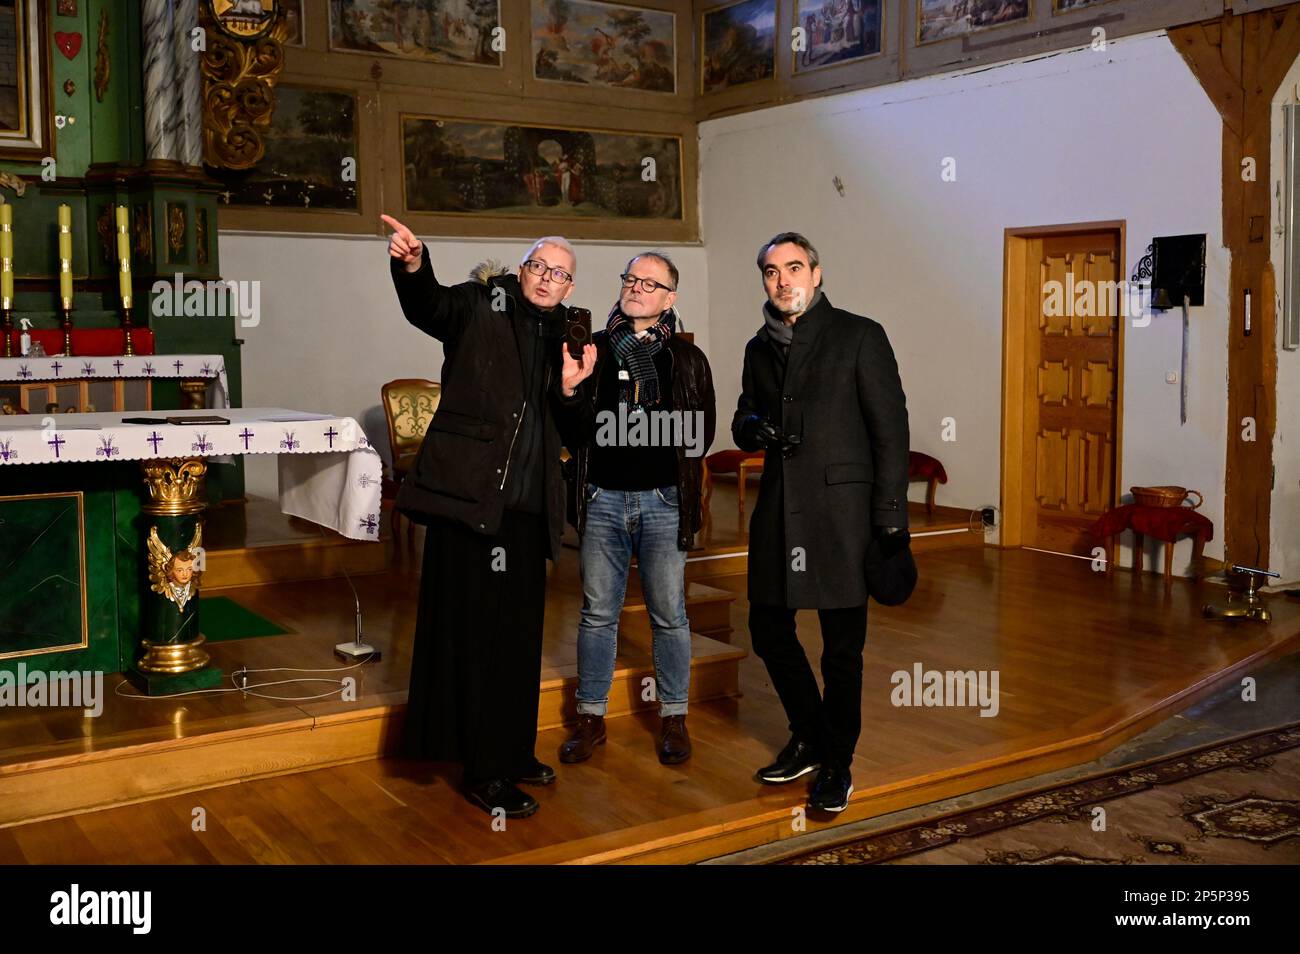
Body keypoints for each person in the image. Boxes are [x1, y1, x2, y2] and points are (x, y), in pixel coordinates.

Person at [384, 213, 596, 819]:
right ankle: (483, 769)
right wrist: (412, 264)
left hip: (530, 515)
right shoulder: (482, 305)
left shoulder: (573, 339)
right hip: (473, 506)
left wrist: (574, 390)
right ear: (522, 268)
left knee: (520, 642)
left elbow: (581, 434)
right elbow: (427, 306)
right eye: (538, 266)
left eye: (560, 273)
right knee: (476, 640)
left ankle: (512, 750)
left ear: (570, 286)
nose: (546, 279)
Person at [733, 231, 910, 813]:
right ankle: (810, 734)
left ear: (816, 271)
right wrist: (750, 428)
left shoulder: (860, 335)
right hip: (780, 513)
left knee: (841, 651)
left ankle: (837, 762)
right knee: (767, 629)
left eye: (793, 267)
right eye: (770, 271)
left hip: (842, 519)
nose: (782, 280)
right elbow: (743, 414)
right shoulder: (759, 347)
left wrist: (889, 522)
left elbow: (891, 433)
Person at [555, 252, 716, 766]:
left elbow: (700, 435)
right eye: (631, 279)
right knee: (597, 613)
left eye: (651, 283)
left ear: (670, 299)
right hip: (602, 496)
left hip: (664, 499)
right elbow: (572, 429)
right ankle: (590, 718)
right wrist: (573, 391)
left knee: (669, 615)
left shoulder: (686, 360)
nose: (637, 288)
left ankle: (673, 718)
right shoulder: (593, 349)